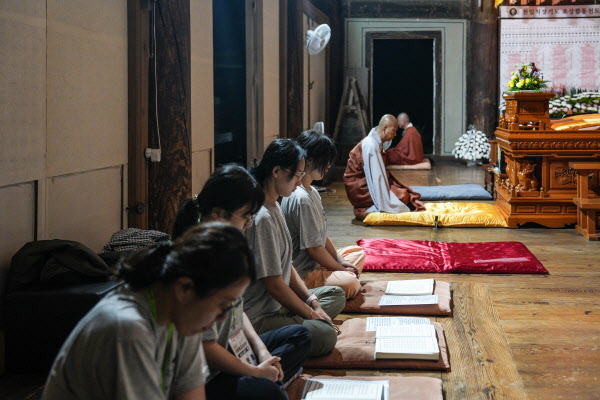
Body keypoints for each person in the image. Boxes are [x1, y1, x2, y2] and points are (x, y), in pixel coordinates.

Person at [42, 223, 256, 400]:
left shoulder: (183, 318)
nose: (223, 318)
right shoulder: (127, 329)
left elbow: (191, 393)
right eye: (222, 305)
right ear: (184, 288)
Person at [173, 165, 311, 400]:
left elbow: (238, 310)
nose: (249, 224)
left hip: (238, 350)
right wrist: (254, 372)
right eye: (246, 216)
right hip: (210, 374)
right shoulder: (197, 258)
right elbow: (205, 346)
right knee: (269, 391)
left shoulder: (227, 248)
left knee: (300, 336)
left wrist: (262, 352)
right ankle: (272, 383)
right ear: (218, 214)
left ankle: (270, 380)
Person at [244, 139, 346, 357]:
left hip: (280, 304)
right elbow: (275, 285)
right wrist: (311, 314)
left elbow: (287, 266)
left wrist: (313, 303)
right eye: (297, 175)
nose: (299, 182)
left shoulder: (275, 205)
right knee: (326, 335)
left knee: (335, 294)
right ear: (276, 172)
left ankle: (300, 321)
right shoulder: (262, 217)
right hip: (262, 315)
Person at [281, 131, 365, 299]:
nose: (328, 166)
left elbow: (321, 236)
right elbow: (314, 249)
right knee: (350, 283)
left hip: (316, 262)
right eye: (325, 161)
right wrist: (342, 270)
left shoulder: (312, 191)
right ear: (309, 160)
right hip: (303, 272)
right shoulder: (302, 198)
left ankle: (333, 273)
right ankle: (320, 284)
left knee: (357, 253)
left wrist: (340, 261)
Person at [343, 114, 425, 220]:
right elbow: (376, 178)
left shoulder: (375, 142)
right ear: (385, 128)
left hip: (366, 182)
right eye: (394, 131)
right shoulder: (371, 145)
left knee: (404, 192)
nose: (395, 134)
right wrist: (385, 202)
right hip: (359, 189)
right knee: (403, 196)